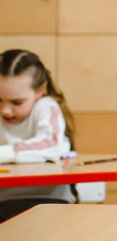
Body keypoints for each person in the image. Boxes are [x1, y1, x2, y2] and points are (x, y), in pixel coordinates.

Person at [0, 49, 76, 222]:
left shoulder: (46, 107)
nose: (5, 110)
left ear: (39, 90)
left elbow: (51, 144)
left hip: (48, 200)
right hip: (3, 200)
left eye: (16, 102)